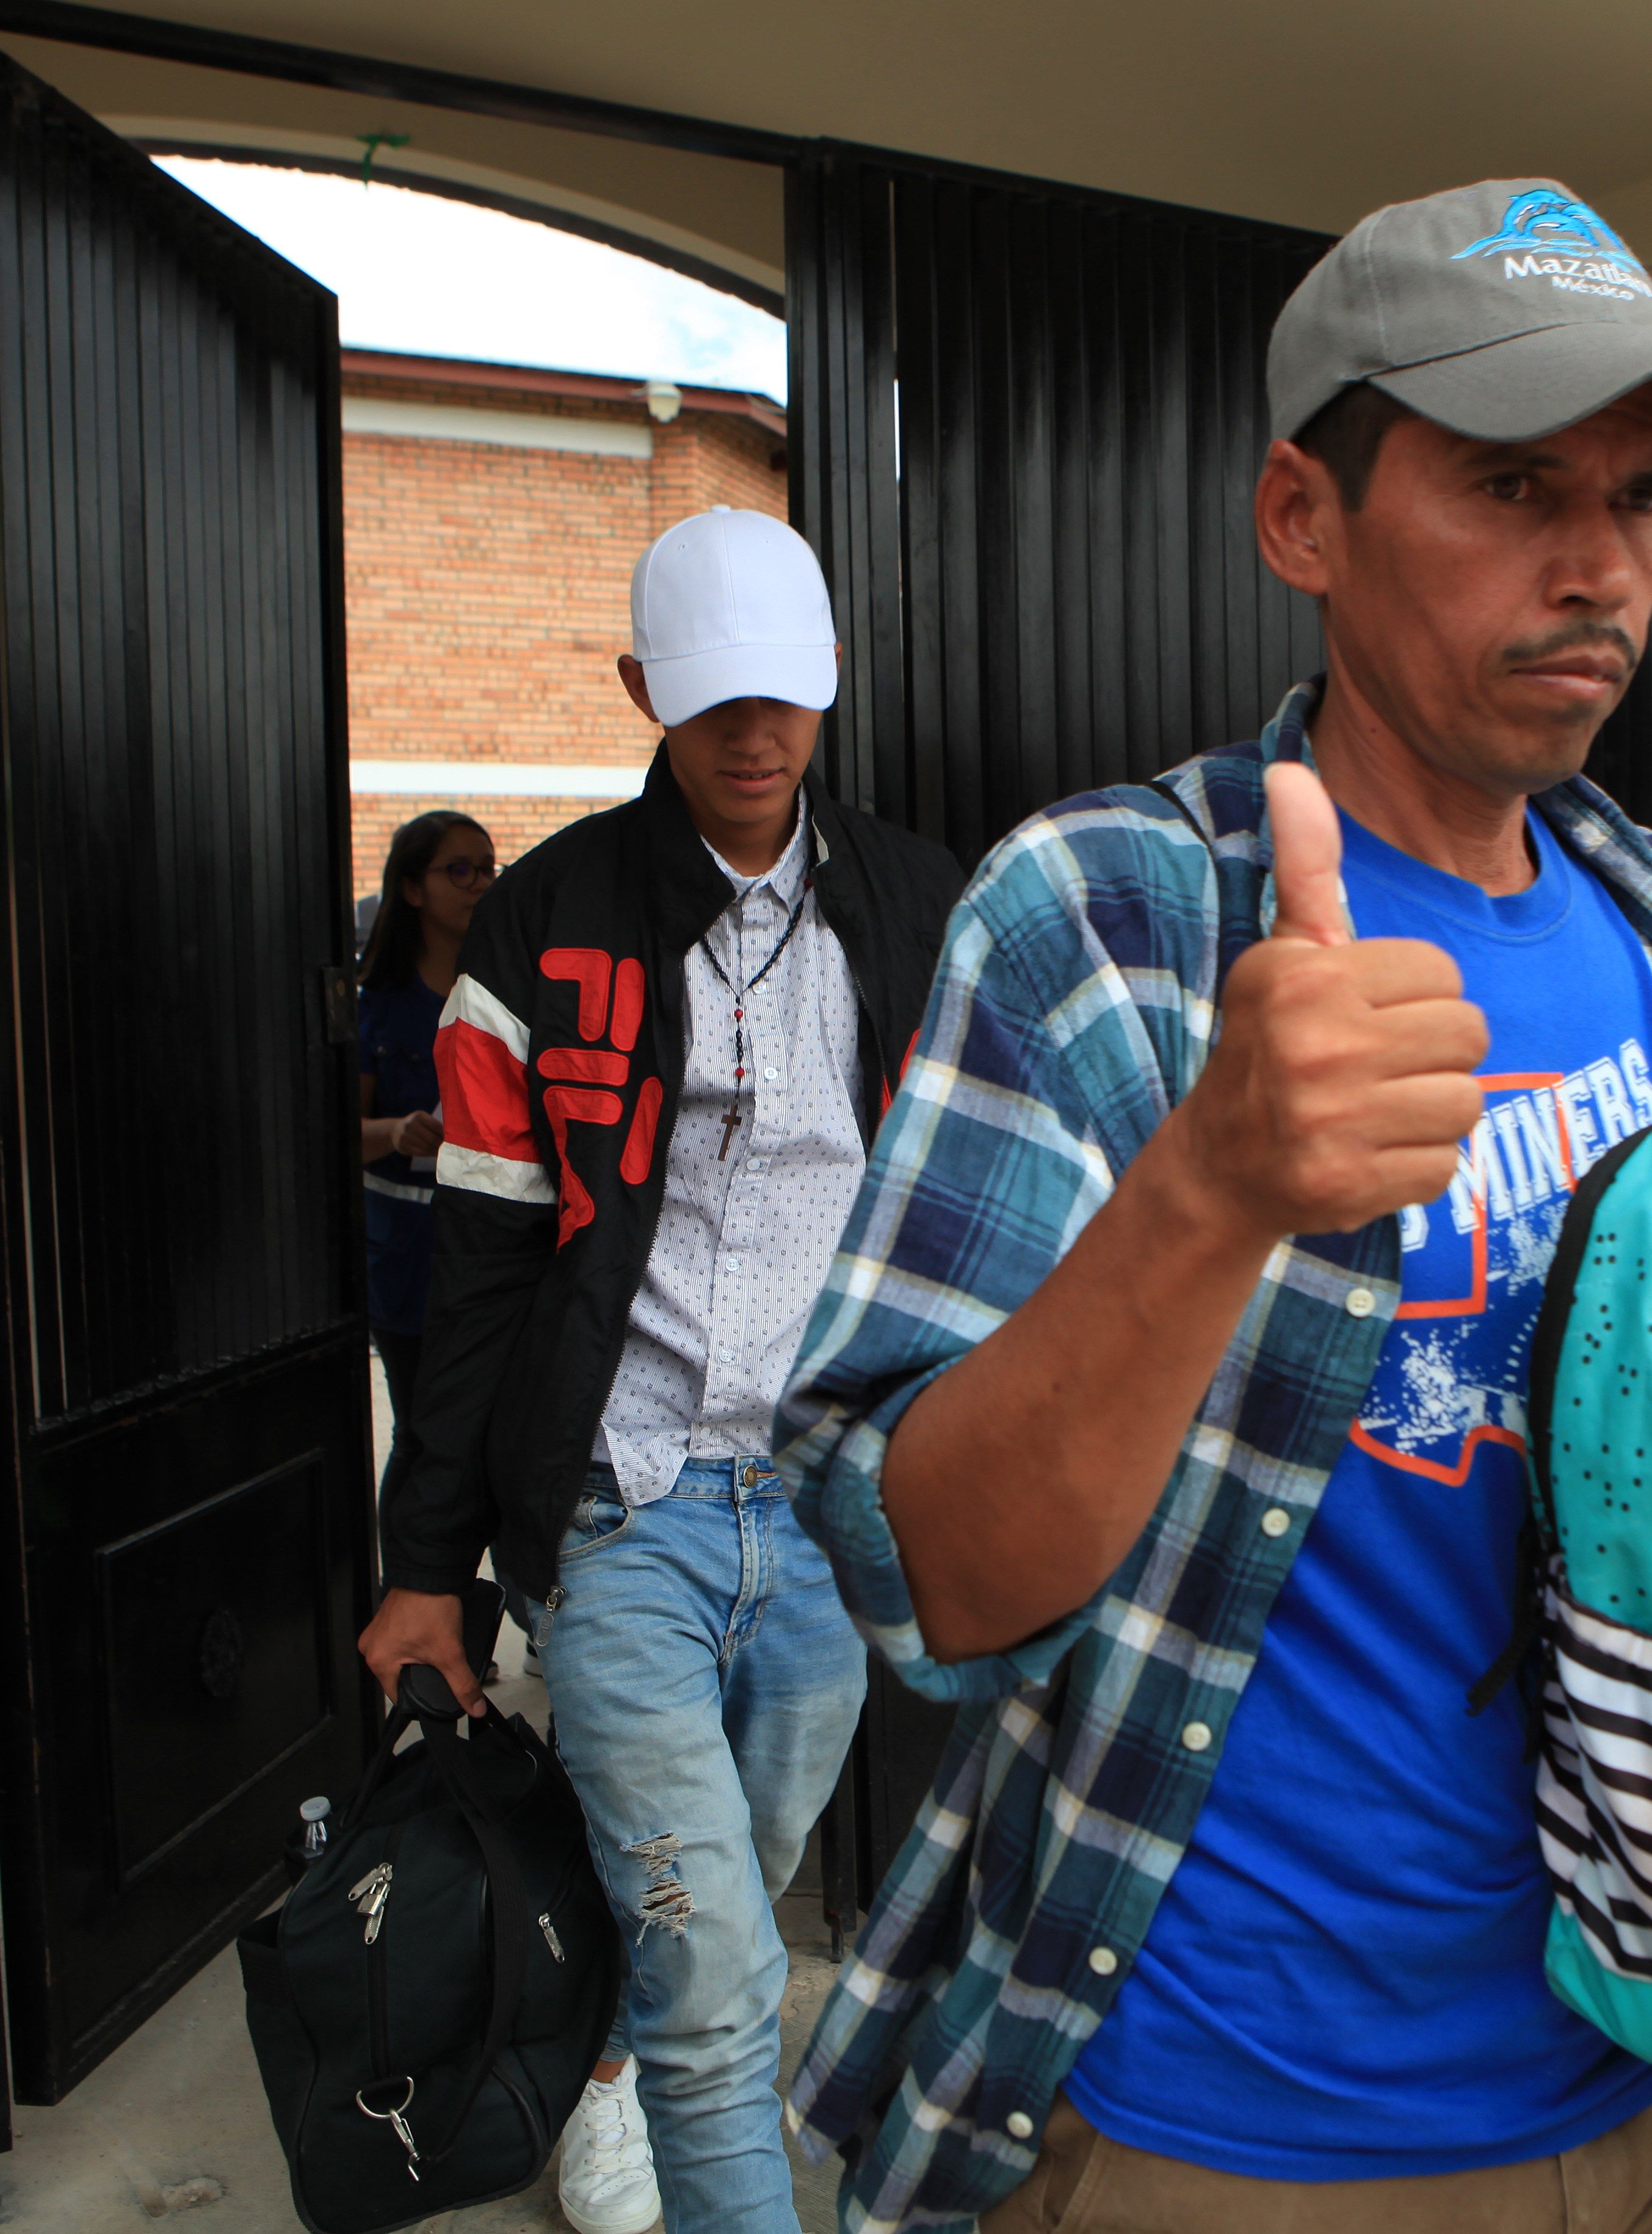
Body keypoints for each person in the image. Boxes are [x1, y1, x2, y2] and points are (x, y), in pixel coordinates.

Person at [775, 179, 1652, 2234]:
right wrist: (1211, 1183)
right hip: (1246, 2126)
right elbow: (916, 1570)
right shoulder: (1107, 924)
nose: (1597, 563)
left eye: (1638, 498)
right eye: (1513, 484)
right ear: (1303, 516)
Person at [358, 509, 965, 2234]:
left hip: (829, 1505)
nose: (756, 736)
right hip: (625, 1507)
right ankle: (677, 2074)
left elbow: (973, 1220)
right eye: (714, 703)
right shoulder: (537, 933)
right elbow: (476, 1276)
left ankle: (614, 2068)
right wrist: (426, 1568)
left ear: (830, 685)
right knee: (720, 1981)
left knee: (743, 1873)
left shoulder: (920, 906)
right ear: (643, 692)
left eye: (784, 695)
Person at [355, 809, 496, 1503]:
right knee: (420, 1434)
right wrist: (392, 1131)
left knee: (497, 1430)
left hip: (490, 1244)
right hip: (405, 1252)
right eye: (459, 870)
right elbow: (336, 1133)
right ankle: (411, 1597)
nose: (478, 884)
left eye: (487, 868)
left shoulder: (502, 996)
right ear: (412, 889)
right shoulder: (377, 1005)